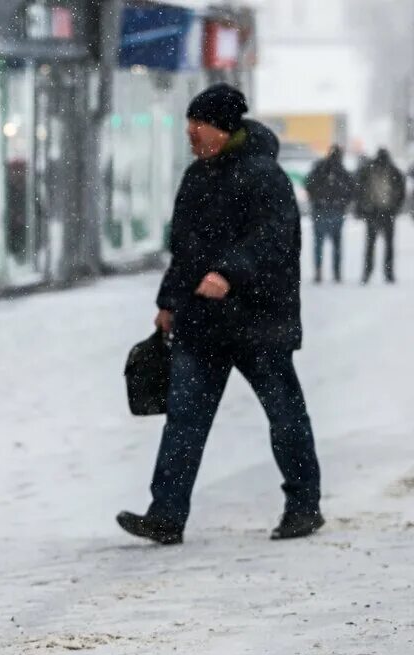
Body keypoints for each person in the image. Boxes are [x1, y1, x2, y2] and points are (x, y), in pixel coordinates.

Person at [117, 84, 323, 546]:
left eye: (198, 123)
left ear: (223, 128)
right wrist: (169, 302)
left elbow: (272, 240)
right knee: (185, 420)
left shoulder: (265, 177)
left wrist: (229, 273)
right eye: (190, 123)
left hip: (258, 321)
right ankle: (166, 515)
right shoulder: (197, 177)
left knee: (284, 413)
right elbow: (185, 250)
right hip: (202, 321)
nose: (190, 132)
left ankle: (304, 505)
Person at [304, 145, 355, 283]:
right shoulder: (343, 171)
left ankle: (318, 270)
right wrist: (342, 203)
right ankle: (336, 272)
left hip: (320, 209)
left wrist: (316, 199)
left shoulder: (319, 167)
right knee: (337, 244)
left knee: (318, 243)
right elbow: (351, 190)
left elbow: (308, 184)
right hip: (337, 211)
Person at [356, 147, 405, 284]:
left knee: (371, 245)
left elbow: (359, 190)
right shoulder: (393, 171)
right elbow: (401, 191)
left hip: (373, 211)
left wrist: (363, 208)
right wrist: (395, 208)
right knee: (387, 245)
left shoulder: (368, 170)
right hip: (387, 212)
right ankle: (387, 273)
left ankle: (368, 273)